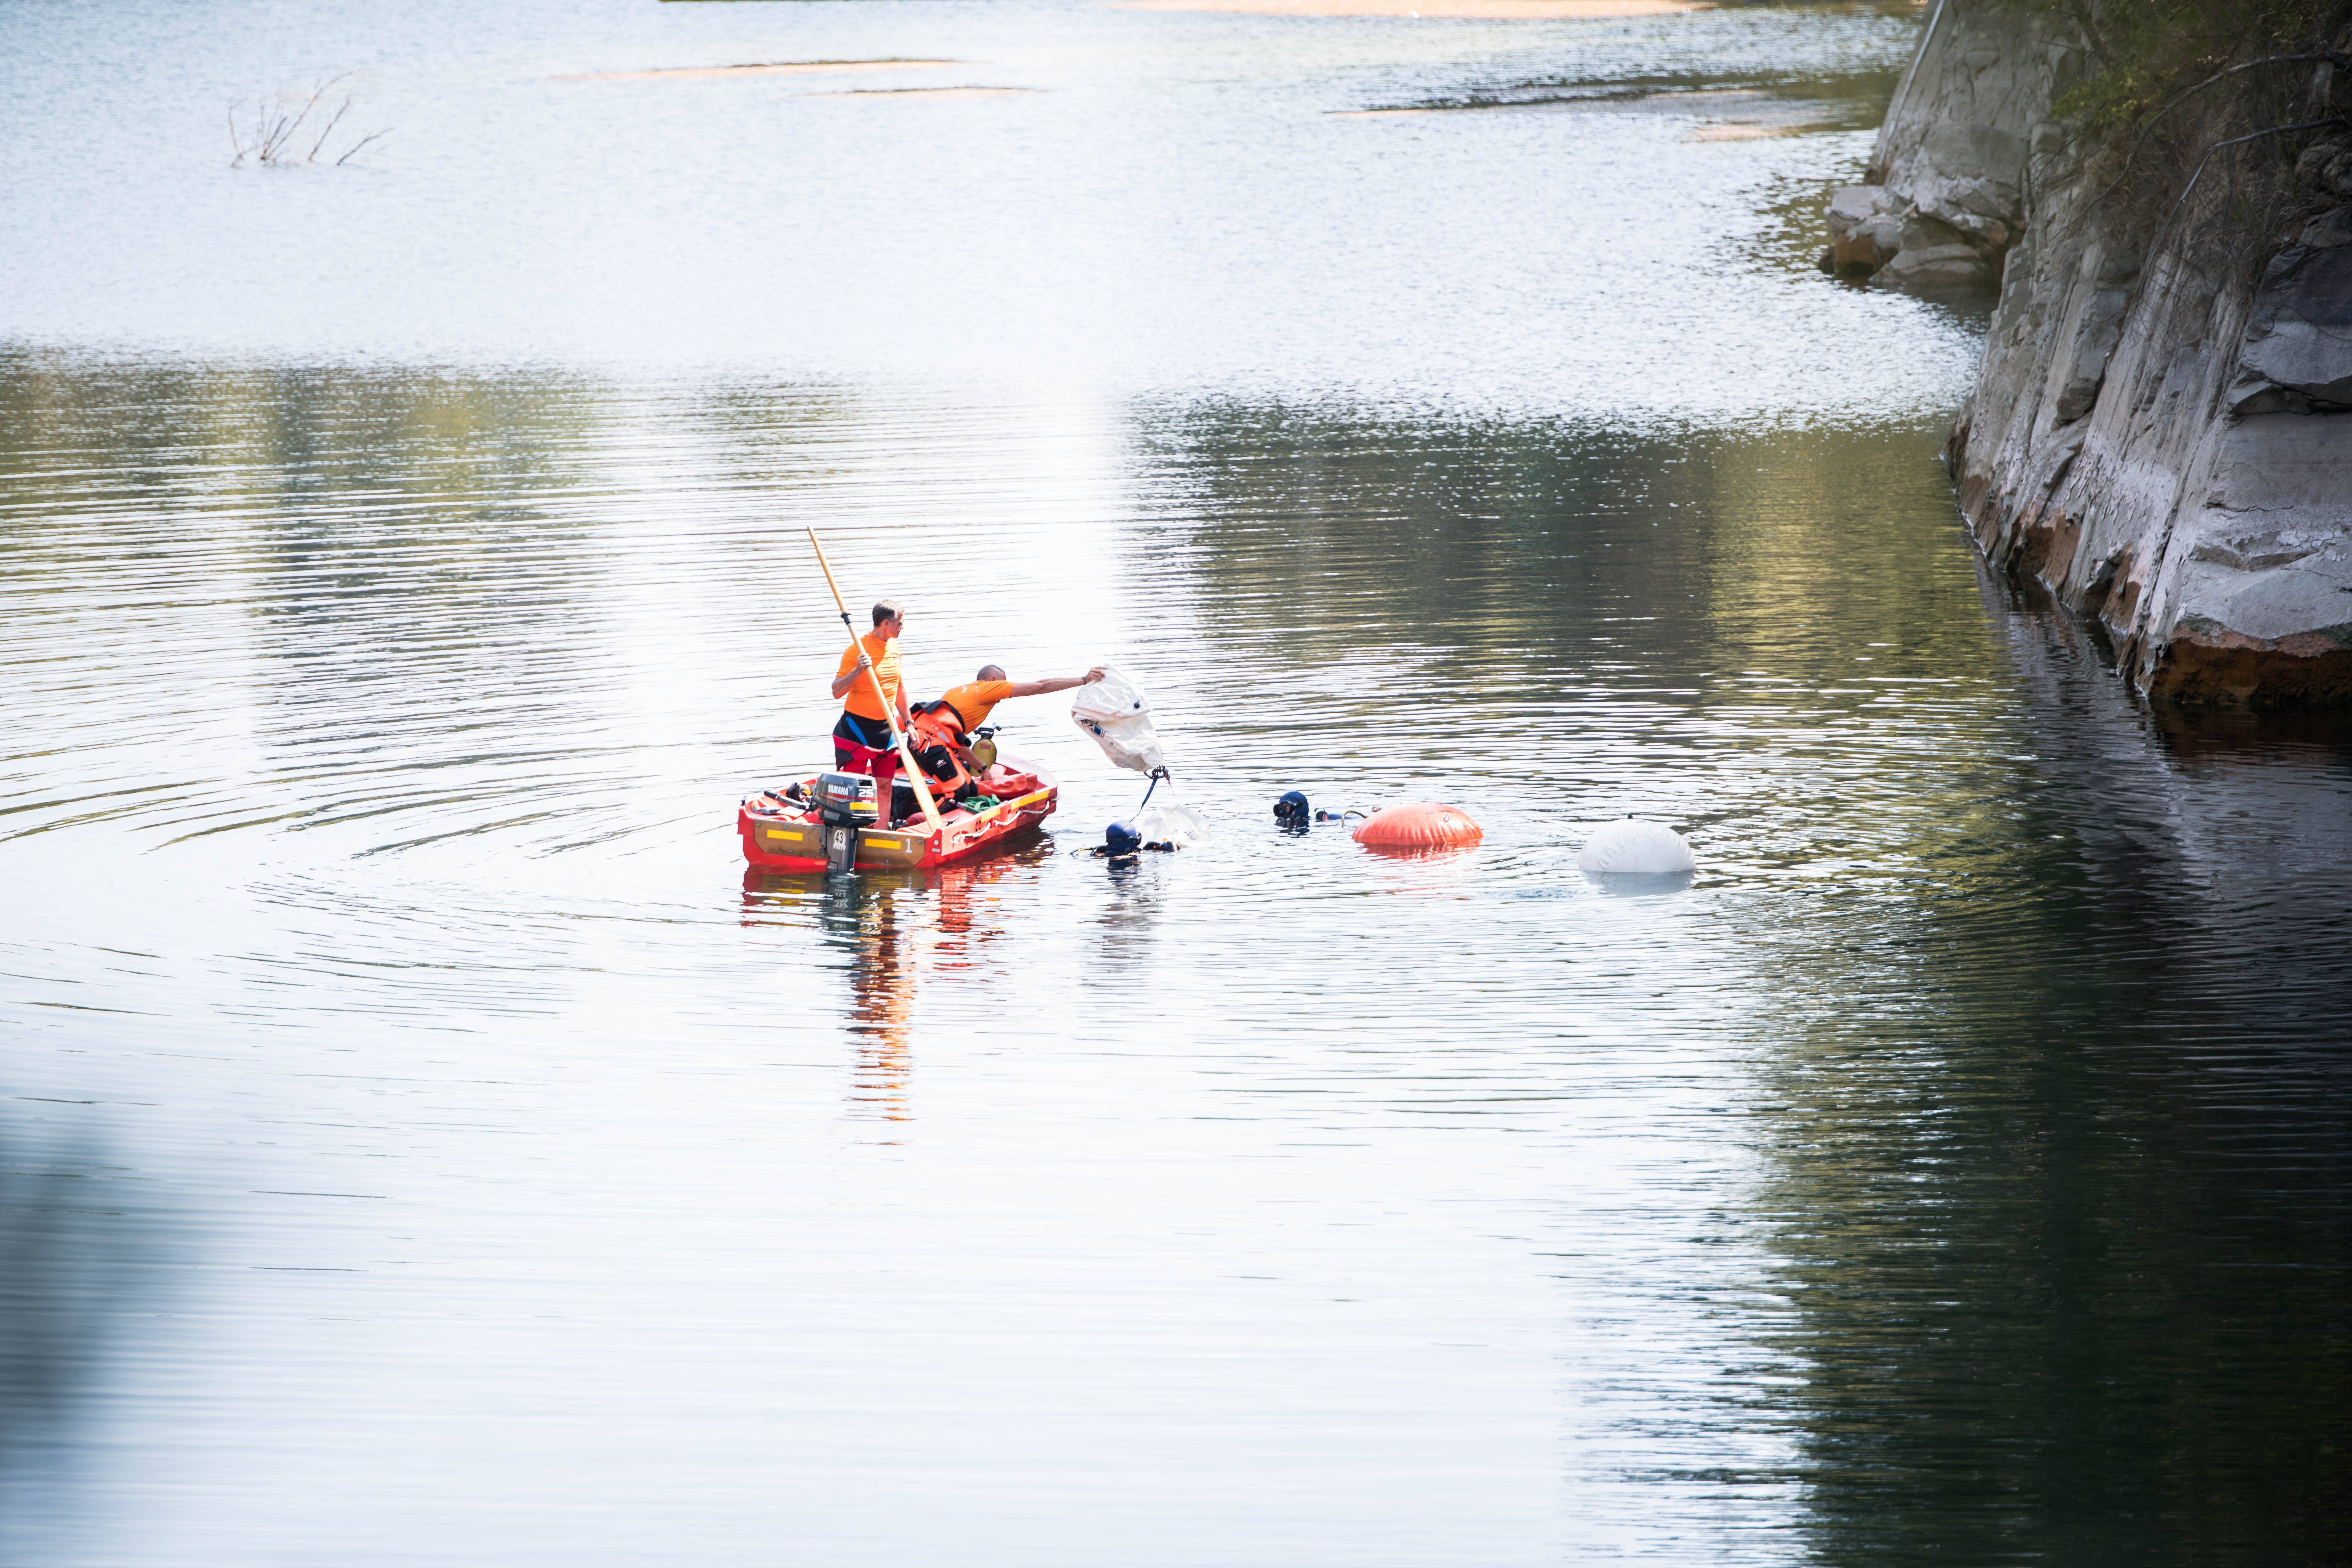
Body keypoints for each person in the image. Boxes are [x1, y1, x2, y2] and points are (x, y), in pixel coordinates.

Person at [910, 663, 1109, 801]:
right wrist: (1083, 680)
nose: (1000, 698)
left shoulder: (956, 692)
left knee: (971, 789)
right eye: (1002, 685)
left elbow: (955, 742)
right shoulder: (987, 689)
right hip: (931, 749)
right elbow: (1040, 687)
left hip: (920, 747)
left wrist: (983, 770)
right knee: (961, 793)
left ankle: (919, 800)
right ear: (994, 680)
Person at [831, 600, 913, 822]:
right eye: (900, 623)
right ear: (886, 623)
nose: (903, 627)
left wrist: (909, 724)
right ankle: (850, 833)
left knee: (885, 787)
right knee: (854, 787)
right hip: (857, 729)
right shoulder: (857, 650)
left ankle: (882, 833)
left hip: (887, 730)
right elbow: (837, 691)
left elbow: (899, 688)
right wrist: (858, 670)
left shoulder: (894, 647)